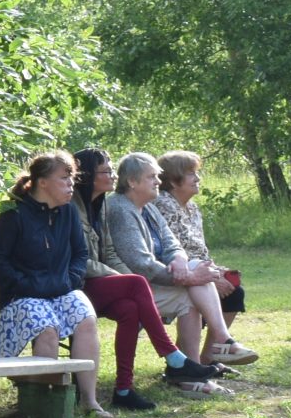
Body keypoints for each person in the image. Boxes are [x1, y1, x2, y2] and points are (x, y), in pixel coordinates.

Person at [70, 146, 219, 411]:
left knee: (130, 307)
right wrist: (123, 279)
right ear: (89, 175)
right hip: (78, 285)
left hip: (101, 282)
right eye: (106, 171)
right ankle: (174, 357)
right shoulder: (75, 209)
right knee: (137, 283)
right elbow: (80, 261)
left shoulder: (100, 206)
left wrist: (122, 279)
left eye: (113, 170)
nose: (113, 176)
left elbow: (111, 253)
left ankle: (123, 389)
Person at [94, 153, 245, 388]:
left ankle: (195, 369)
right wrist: (187, 277)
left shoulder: (148, 207)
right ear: (132, 181)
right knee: (192, 288)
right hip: (130, 287)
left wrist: (181, 261)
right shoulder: (121, 209)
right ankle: (208, 356)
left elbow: (172, 243)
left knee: (193, 287)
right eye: (152, 177)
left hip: (150, 283)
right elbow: (140, 263)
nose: (158, 181)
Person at [0, 152, 111, 418]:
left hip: (61, 290)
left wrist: (70, 280)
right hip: (21, 295)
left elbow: (80, 254)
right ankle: (45, 406)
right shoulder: (13, 214)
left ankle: (89, 401)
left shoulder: (69, 212)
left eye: (71, 178)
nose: (71, 184)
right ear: (42, 182)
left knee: (86, 318)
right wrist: (24, 284)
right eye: (64, 178)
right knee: (47, 330)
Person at [151, 151, 254, 356]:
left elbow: (199, 249)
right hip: (172, 272)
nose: (197, 178)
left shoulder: (192, 208)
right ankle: (192, 361)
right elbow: (171, 252)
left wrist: (217, 271)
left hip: (196, 268)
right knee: (207, 291)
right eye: (191, 174)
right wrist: (210, 277)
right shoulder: (163, 205)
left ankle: (208, 358)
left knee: (234, 290)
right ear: (173, 180)